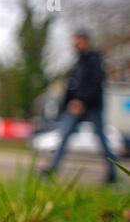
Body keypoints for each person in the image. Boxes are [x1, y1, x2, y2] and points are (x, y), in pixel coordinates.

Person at [43, 29, 117, 183]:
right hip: (74, 107)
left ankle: (112, 173)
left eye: (77, 41)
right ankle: (52, 169)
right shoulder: (78, 62)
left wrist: (82, 101)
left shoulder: (94, 59)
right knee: (63, 136)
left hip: (92, 107)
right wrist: (65, 104)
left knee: (101, 138)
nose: (75, 44)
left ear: (85, 41)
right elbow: (71, 86)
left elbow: (95, 82)